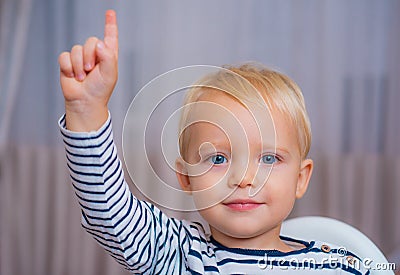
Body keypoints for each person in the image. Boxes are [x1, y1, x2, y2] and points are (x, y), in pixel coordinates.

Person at [58, 10, 368, 274]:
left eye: (269, 158)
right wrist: (87, 110)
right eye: (218, 159)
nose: (244, 179)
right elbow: (108, 210)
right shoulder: (175, 253)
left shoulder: (341, 265)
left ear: (301, 178)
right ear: (186, 178)